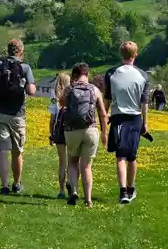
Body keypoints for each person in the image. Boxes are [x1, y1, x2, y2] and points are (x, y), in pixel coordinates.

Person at [0, 39, 36, 195]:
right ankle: (17, 184)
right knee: (17, 151)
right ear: (21, 52)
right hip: (18, 115)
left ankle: (4, 185)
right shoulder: (25, 67)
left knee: (3, 150)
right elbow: (31, 91)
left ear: (8, 50)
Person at [106, 41, 151, 204]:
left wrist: (104, 116)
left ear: (121, 54)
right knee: (132, 156)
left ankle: (123, 191)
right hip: (135, 118)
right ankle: (131, 189)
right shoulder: (143, 75)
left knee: (120, 157)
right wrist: (145, 123)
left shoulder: (111, 73)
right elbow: (144, 102)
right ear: (135, 54)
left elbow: (107, 99)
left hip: (118, 117)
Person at [60, 62, 109, 207]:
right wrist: (105, 133)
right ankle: (88, 200)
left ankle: (74, 190)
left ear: (74, 75)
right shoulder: (95, 90)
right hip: (90, 130)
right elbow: (103, 114)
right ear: (87, 74)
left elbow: (61, 103)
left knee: (73, 162)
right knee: (87, 166)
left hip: (72, 130)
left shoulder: (70, 89)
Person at [48, 72, 73, 199]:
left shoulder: (54, 97)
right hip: (70, 130)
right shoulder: (72, 94)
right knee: (72, 161)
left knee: (62, 162)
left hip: (59, 132)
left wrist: (51, 134)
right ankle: (73, 187)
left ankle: (61, 190)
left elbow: (52, 119)